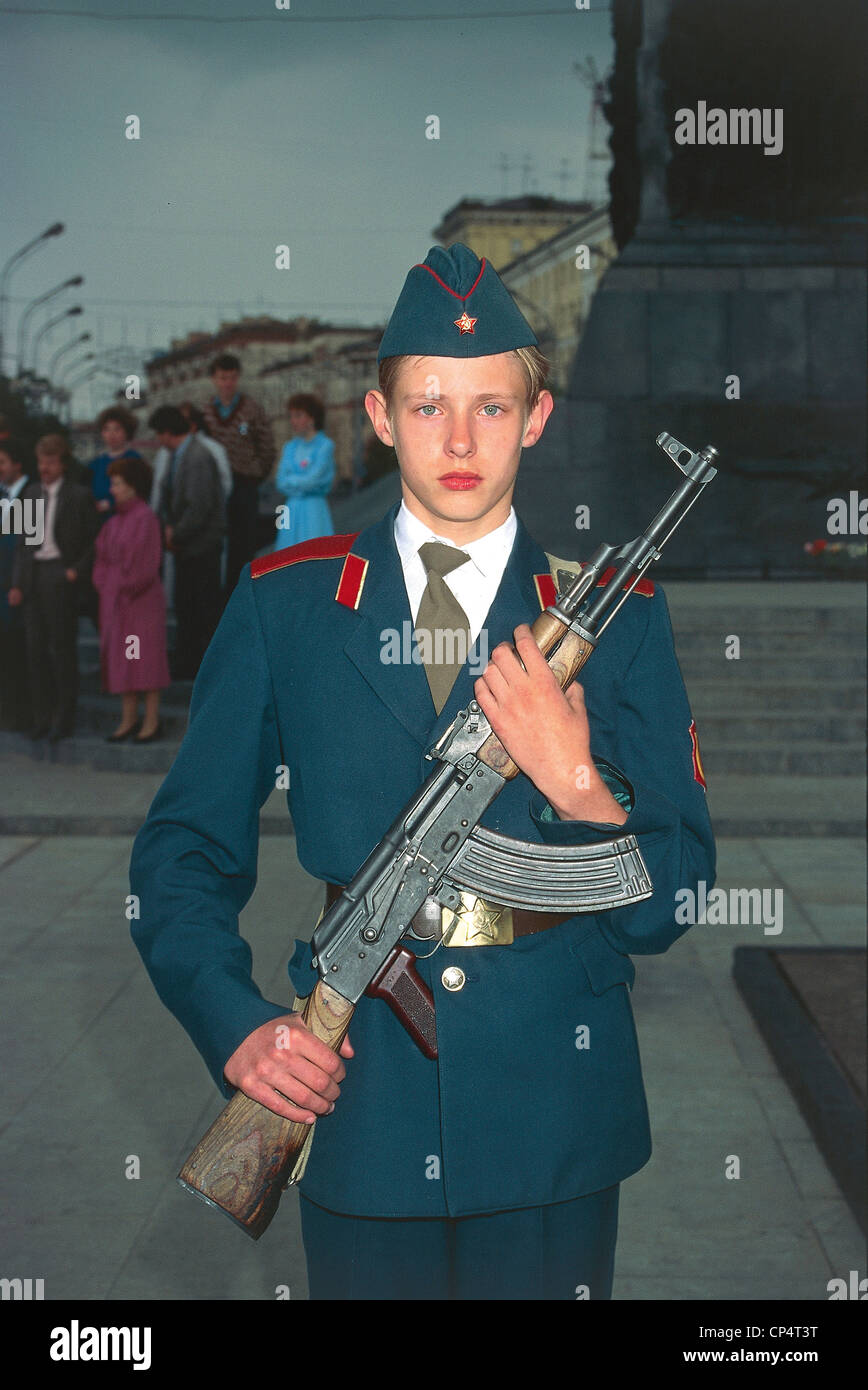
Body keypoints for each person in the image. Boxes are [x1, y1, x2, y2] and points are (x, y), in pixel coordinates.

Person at [129, 244, 715, 1301]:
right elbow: (182, 851)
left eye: (491, 408)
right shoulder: (286, 600)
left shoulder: (618, 615)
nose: (458, 438)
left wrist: (573, 777)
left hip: (555, 1121)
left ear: (536, 419)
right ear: (378, 415)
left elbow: (671, 900)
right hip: (364, 1119)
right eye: (428, 404)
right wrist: (237, 1023)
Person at [8, 433, 98, 741]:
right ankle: (41, 718)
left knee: (61, 650)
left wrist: (76, 571)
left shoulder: (78, 495)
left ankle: (64, 718)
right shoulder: (31, 494)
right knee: (35, 651)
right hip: (34, 576)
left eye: (50, 462)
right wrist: (17, 583)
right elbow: (23, 544)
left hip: (61, 575)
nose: (44, 467)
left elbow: (94, 542)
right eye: (40, 462)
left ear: (62, 463)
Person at [91, 455, 170, 743]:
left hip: (141, 603)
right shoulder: (113, 522)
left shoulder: (146, 519)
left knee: (144, 659)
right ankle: (128, 718)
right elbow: (100, 558)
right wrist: (104, 583)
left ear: (133, 486)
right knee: (126, 659)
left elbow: (147, 565)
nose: (112, 489)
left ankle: (151, 720)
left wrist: (120, 584)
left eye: (117, 483)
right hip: (117, 602)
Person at [149, 405, 225, 682]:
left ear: (168, 433)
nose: (158, 440)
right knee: (186, 607)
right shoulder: (180, 455)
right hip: (187, 546)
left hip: (200, 547)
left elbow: (199, 507)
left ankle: (201, 668)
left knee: (200, 610)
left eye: (158, 434)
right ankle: (188, 662)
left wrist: (174, 535)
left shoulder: (196, 457)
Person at [200, 353, 275, 593]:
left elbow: (266, 445)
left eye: (232, 378)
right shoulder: (206, 412)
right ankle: (215, 598)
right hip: (214, 488)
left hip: (244, 483)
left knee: (243, 545)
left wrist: (256, 475)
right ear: (214, 379)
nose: (227, 383)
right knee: (214, 542)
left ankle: (240, 594)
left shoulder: (251, 408)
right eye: (222, 378)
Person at [273, 393, 335, 551]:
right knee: (286, 553)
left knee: (314, 550)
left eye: (298, 415)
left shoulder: (325, 446)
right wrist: (302, 481)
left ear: (312, 418)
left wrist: (293, 481)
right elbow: (280, 481)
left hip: (313, 508)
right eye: (291, 416)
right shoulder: (289, 447)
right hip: (290, 509)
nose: (293, 421)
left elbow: (315, 479)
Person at [0, 436, 33, 732]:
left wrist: (18, 583)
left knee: (21, 652)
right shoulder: (3, 495)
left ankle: (24, 715)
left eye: (2, 463)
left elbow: (28, 547)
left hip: (18, 587)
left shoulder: (30, 495)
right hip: (2, 586)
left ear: (17, 465)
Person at [87, 406, 144, 521]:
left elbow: (141, 495)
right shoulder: (95, 464)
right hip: (98, 525)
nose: (111, 434)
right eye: (106, 429)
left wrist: (110, 504)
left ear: (127, 432)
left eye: (117, 429)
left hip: (128, 522)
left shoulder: (135, 461)